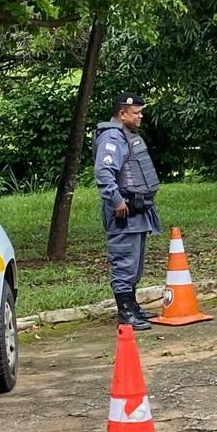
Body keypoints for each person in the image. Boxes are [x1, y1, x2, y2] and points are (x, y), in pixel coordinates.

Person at [93, 92, 162, 330]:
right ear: (122, 114)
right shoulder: (112, 137)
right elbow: (103, 172)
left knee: (134, 264)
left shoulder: (125, 134)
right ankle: (125, 312)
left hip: (138, 210)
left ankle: (133, 307)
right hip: (124, 213)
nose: (140, 116)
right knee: (124, 262)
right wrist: (116, 201)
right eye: (136, 113)